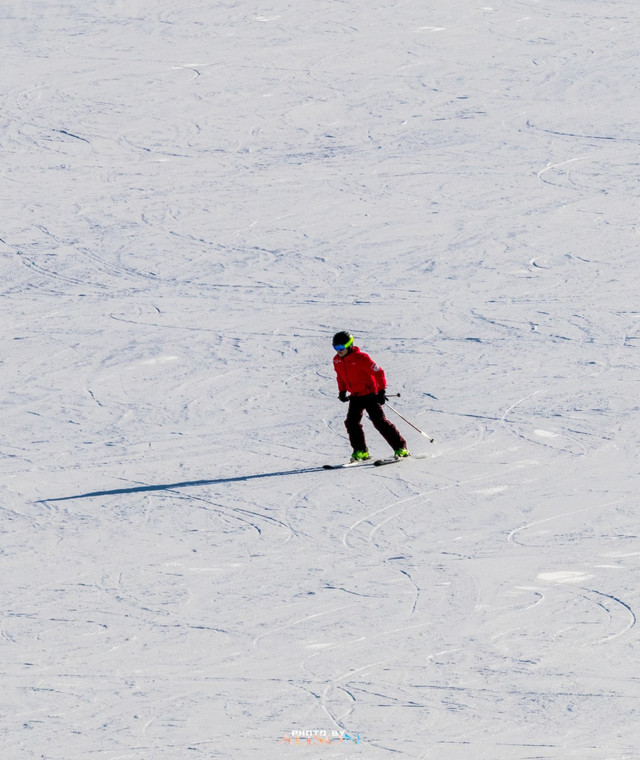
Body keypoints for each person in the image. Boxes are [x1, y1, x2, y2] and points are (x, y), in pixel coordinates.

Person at [332, 330, 409, 462]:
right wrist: (342, 391)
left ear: (349, 345)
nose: (338, 350)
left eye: (341, 347)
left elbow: (379, 372)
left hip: (370, 395)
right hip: (355, 396)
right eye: (335, 347)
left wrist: (381, 391)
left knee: (379, 422)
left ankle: (401, 448)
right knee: (351, 423)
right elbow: (340, 376)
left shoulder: (361, 358)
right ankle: (361, 451)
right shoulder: (337, 360)